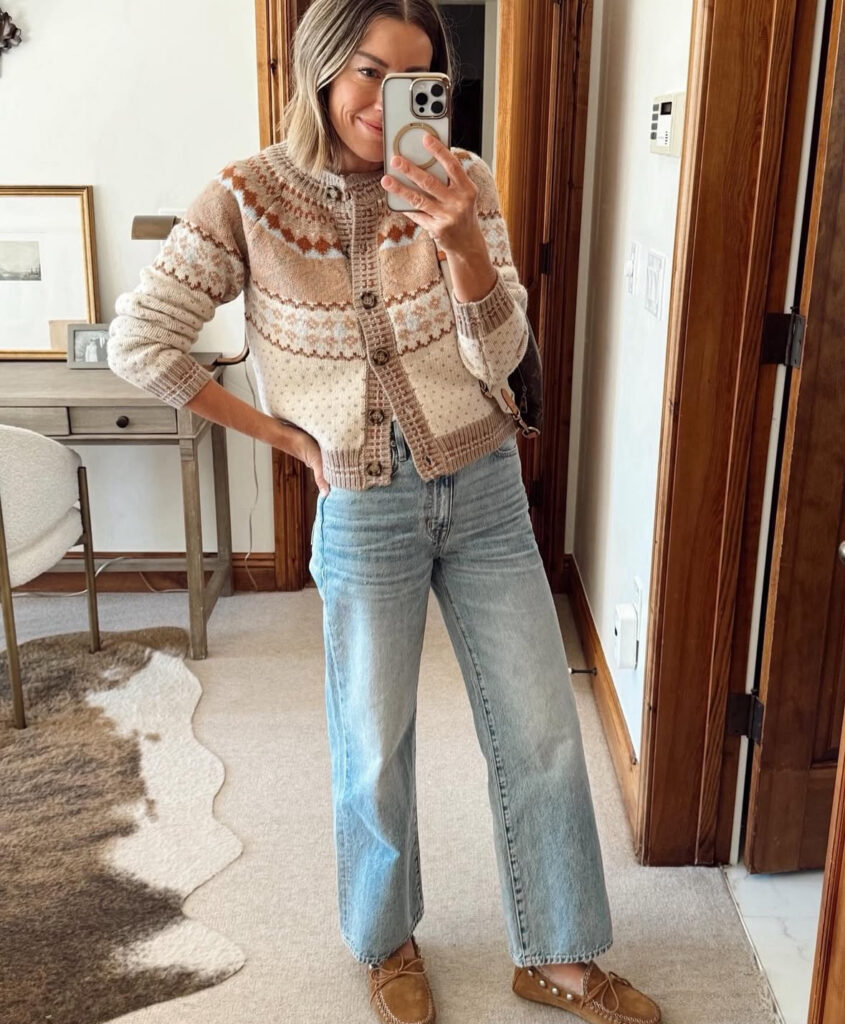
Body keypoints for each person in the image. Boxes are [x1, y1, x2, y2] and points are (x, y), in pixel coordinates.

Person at [107, 2, 661, 1023]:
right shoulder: (248, 197)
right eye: (369, 73)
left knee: (539, 726)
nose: (386, 101)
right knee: (371, 740)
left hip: (485, 487)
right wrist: (290, 441)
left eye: (418, 80)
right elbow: (141, 341)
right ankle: (384, 940)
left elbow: (501, 359)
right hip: (360, 502)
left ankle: (560, 953)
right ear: (321, 71)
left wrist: (463, 251)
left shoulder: (466, 184)